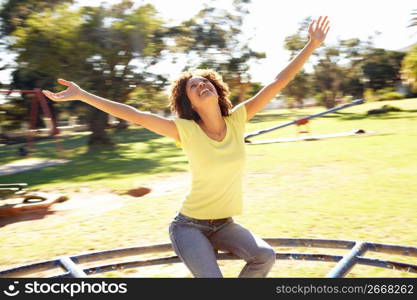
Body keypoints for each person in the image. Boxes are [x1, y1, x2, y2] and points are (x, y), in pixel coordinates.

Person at [42, 16, 330, 278]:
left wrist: (312, 44)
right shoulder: (186, 131)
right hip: (189, 227)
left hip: (225, 224)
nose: (201, 84)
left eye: (205, 81)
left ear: (217, 90)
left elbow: (279, 81)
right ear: (189, 103)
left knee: (264, 256)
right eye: (194, 86)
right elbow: (134, 114)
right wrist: (82, 95)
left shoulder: (239, 119)